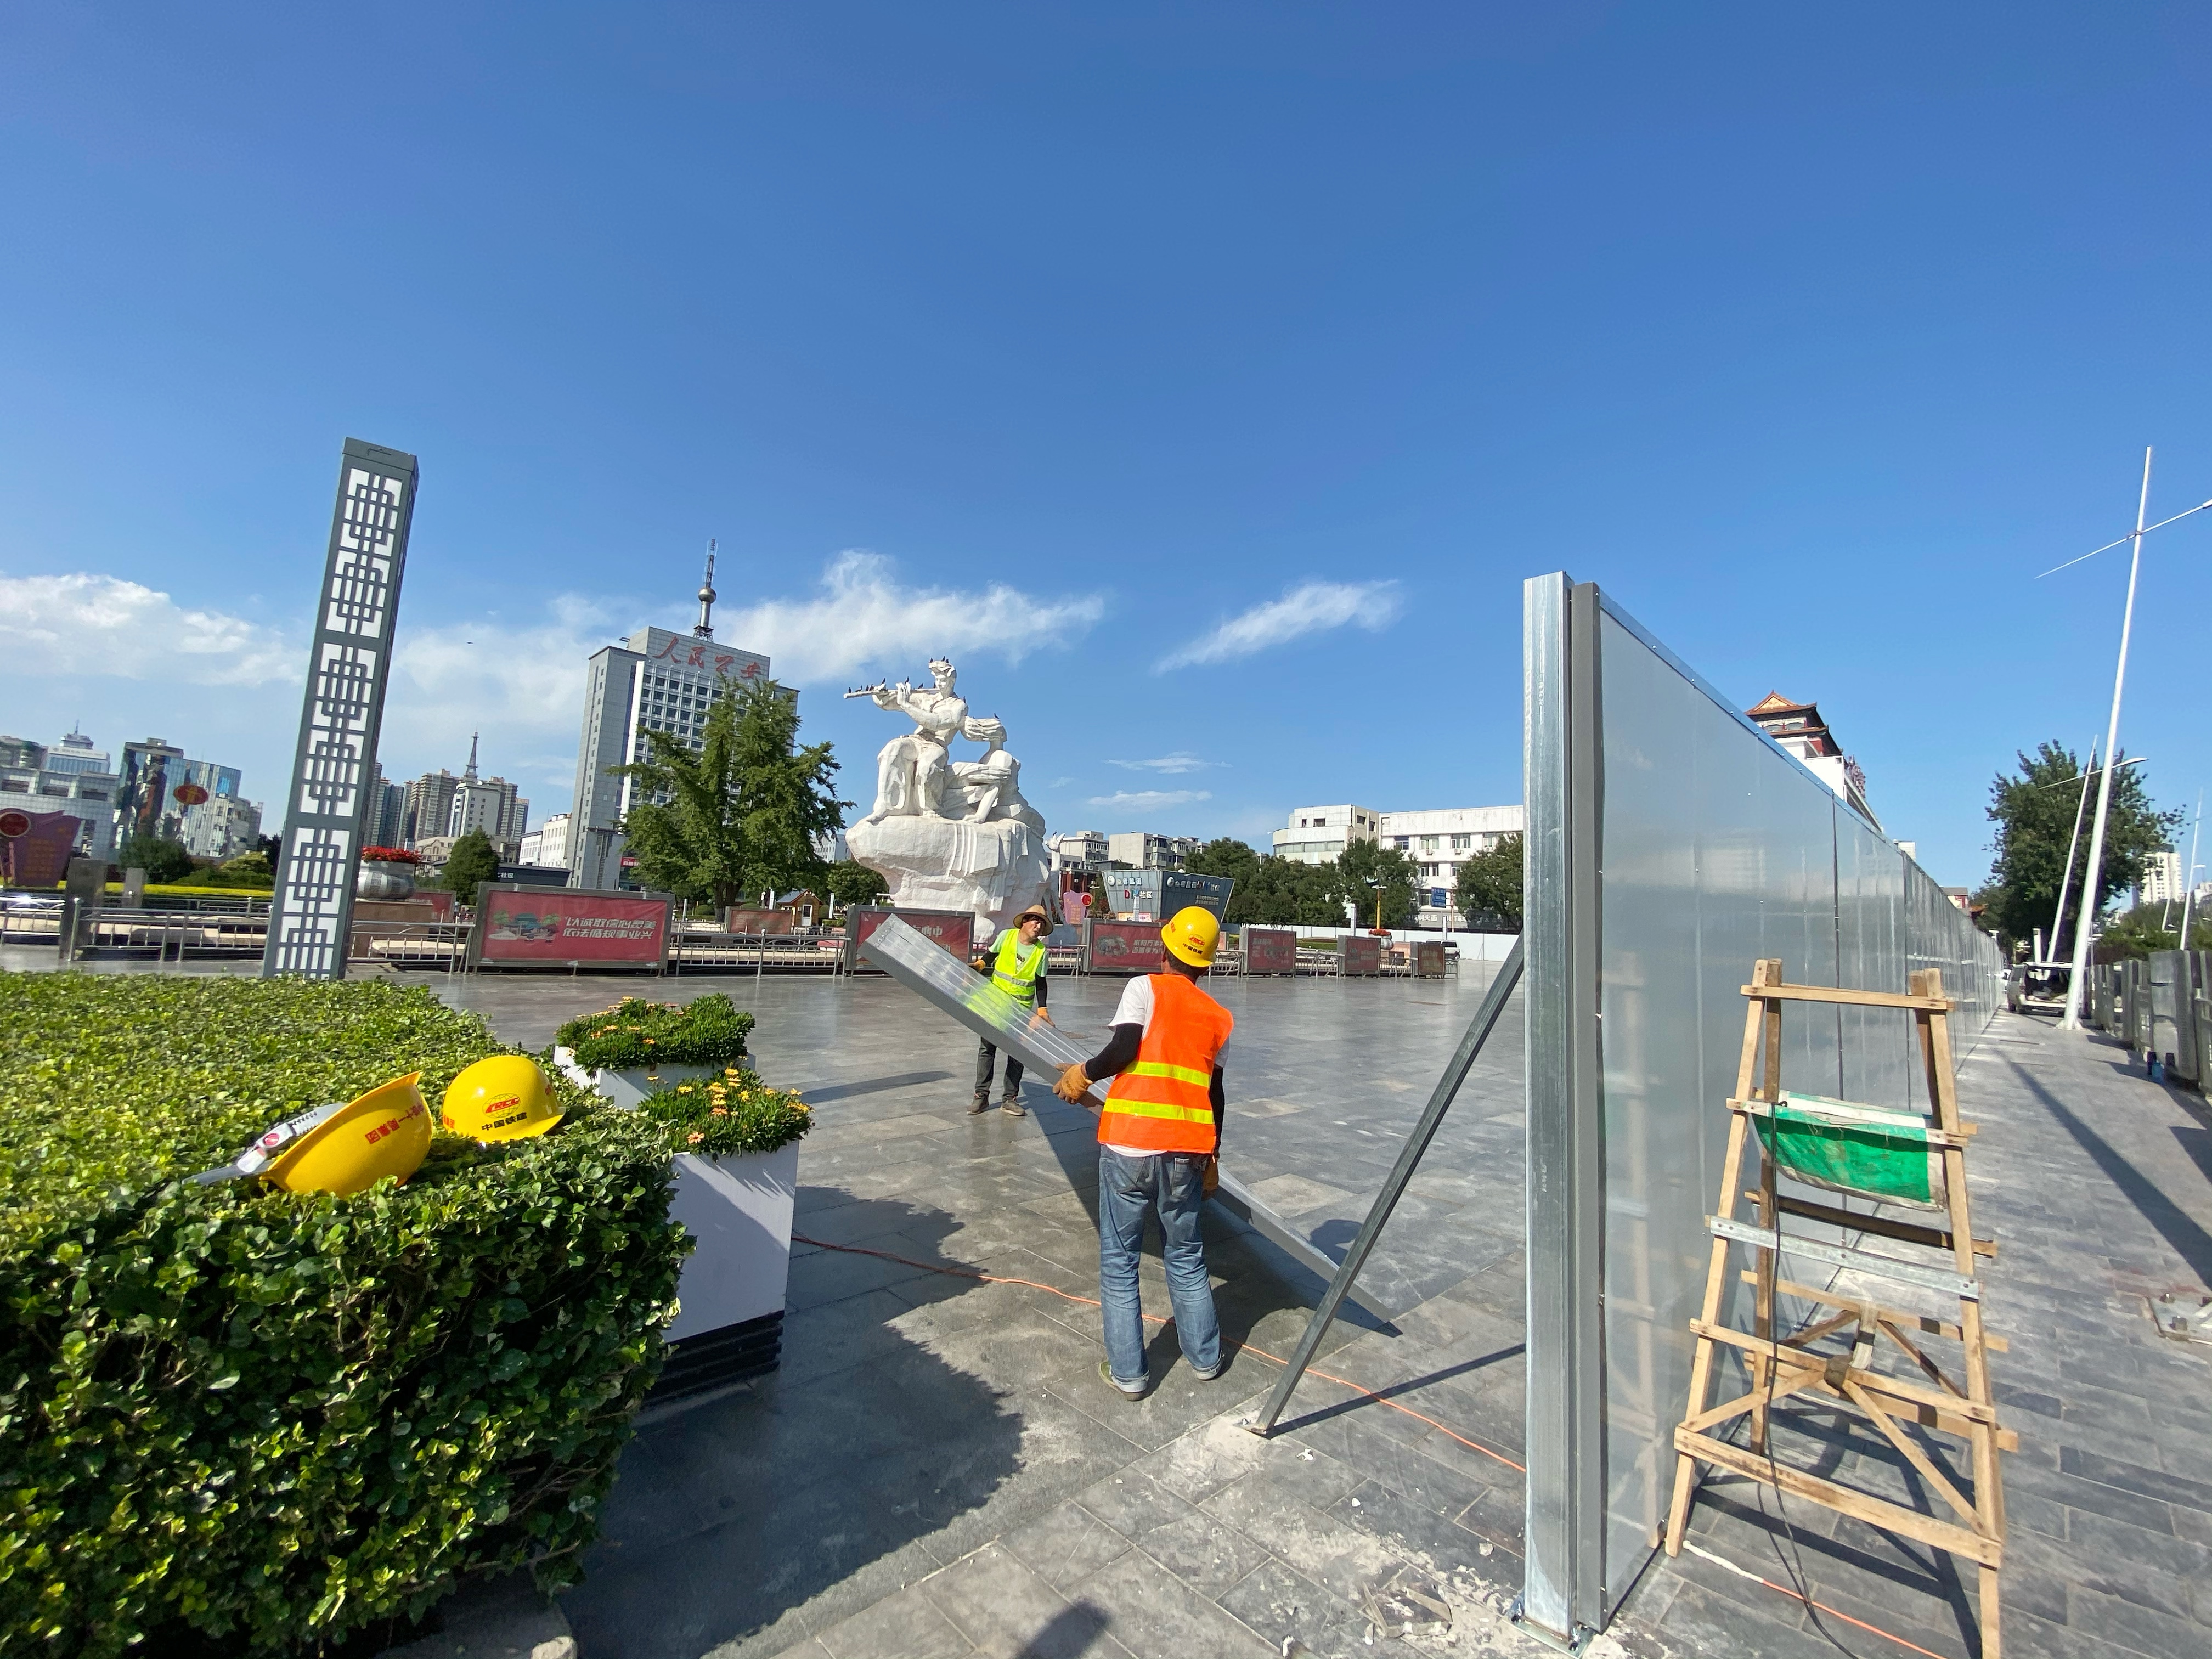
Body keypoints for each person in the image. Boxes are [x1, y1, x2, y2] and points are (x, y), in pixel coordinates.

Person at [1054, 906, 1232, 1398]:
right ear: (1208, 961)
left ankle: (1131, 1374)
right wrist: (1214, 1153)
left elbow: (1125, 1048)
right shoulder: (1219, 1018)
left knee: (1120, 1262)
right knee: (1188, 1256)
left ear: (1166, 947)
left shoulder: (1145, 988)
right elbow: (1216, 1095)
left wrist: (1084, 1073)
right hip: (1187, 1155)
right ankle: (1206, 1358)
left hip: (1131, 1145)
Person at [972, 904, 1054, 1116]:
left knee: (1017, 1055)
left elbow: (1041, 983)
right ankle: (981, 1096)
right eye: (1035, 920)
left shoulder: (1041, 952)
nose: (1038, 926)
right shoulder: (1007, 936)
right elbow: (989, 956)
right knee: (987, 1050)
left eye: (1041, 923)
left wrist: (1042, 1010)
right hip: (995, 1005)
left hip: (1020, 1011)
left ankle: (1010, 1099)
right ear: (1025, 921)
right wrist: (980, 965)